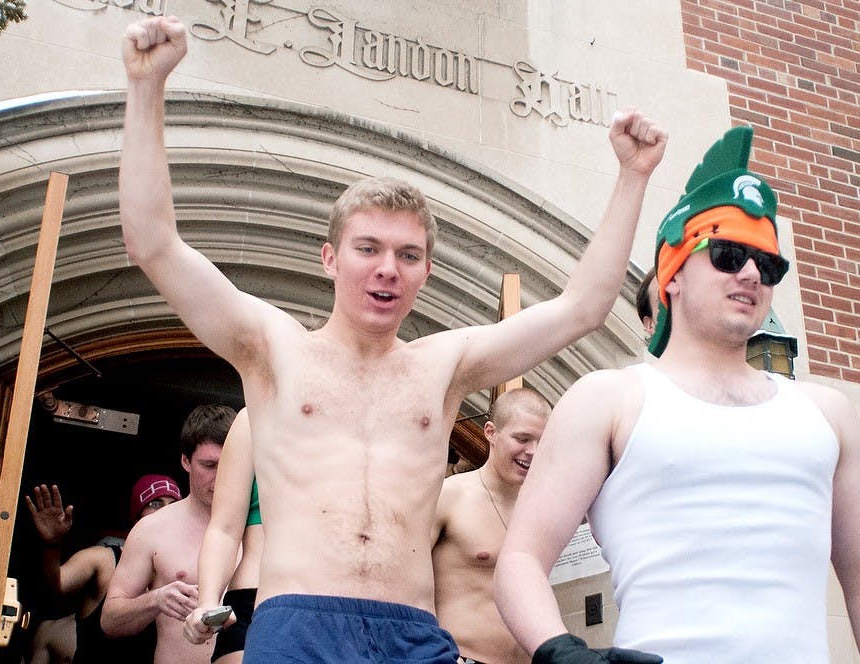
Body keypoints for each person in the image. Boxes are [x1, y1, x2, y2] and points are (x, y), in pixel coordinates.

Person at [119, 15, 667, 662]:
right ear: (330, 258)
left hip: (411, 632)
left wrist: (633, 177)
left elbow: (582, 308)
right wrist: (146, 88)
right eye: (369, 249)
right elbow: (154, 244)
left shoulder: (445, 365)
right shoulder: (272, 348)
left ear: (427, 272)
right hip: (298, 625)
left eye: (408, 255)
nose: (387, 268)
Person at [494, 126, 860, 663]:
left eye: (769, 262)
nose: (752, 273)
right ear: (673, 275)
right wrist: (562, 652)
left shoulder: (827, 413)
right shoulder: (610, 400)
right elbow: (521, 559)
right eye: (728, 252)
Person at [101, 405, 237, 664]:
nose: (220, 476)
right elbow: (110, 621)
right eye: (209, 465)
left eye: (229, 464)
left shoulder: (261, 530)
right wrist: (156, 599)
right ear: (186, 461)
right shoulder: (154, 528)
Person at [431, 388, 551, 664]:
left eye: (542, 442)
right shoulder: (451, 496)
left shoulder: (544, 509)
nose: (532, 451)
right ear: (490, 432)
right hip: (461, 657)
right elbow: (408, 584)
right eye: (522, 438)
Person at [23, 475, 181, 663]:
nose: (165, 511)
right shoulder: (104, 559)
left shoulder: (184, 572)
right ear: (136, 517)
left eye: (173, 505)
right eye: (155, 504)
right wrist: (52, 544)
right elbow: (57, 584)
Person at [182, 409, 261, 664]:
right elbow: (224, 529)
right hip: (258, 598)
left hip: (352, 606)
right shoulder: (255, 419)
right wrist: (207, 603)